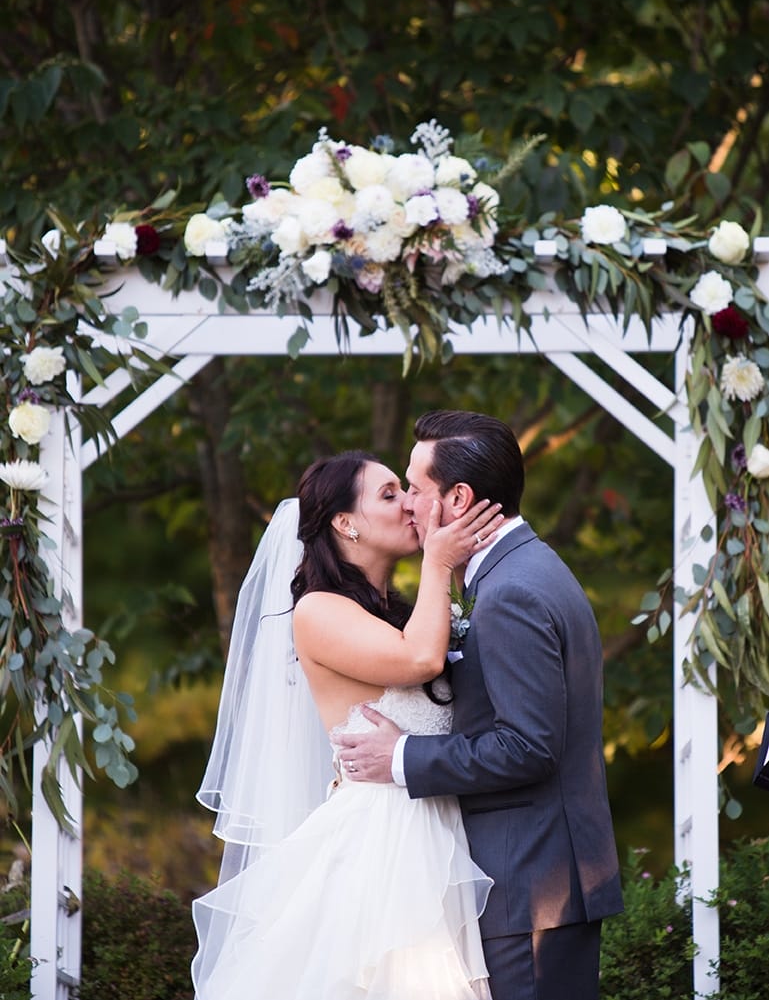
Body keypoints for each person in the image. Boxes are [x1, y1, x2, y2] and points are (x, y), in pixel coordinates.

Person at [191, 449, 504, 1000]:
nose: (410, 504)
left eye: (404, 490)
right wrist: (437, 561)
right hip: (380, 843)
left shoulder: (402, 610)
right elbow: (419, 662)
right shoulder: (317, 611)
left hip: (434, 827)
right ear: (344, 524)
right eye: (388, 495)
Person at [336, 411, 624, 1000]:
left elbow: (528, 747)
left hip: (531, 883)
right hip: (539, 879)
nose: (409, 503)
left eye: (415, 488)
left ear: (458, 497)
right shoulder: (520, 571)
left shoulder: (511, 591)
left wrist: (402, 756)